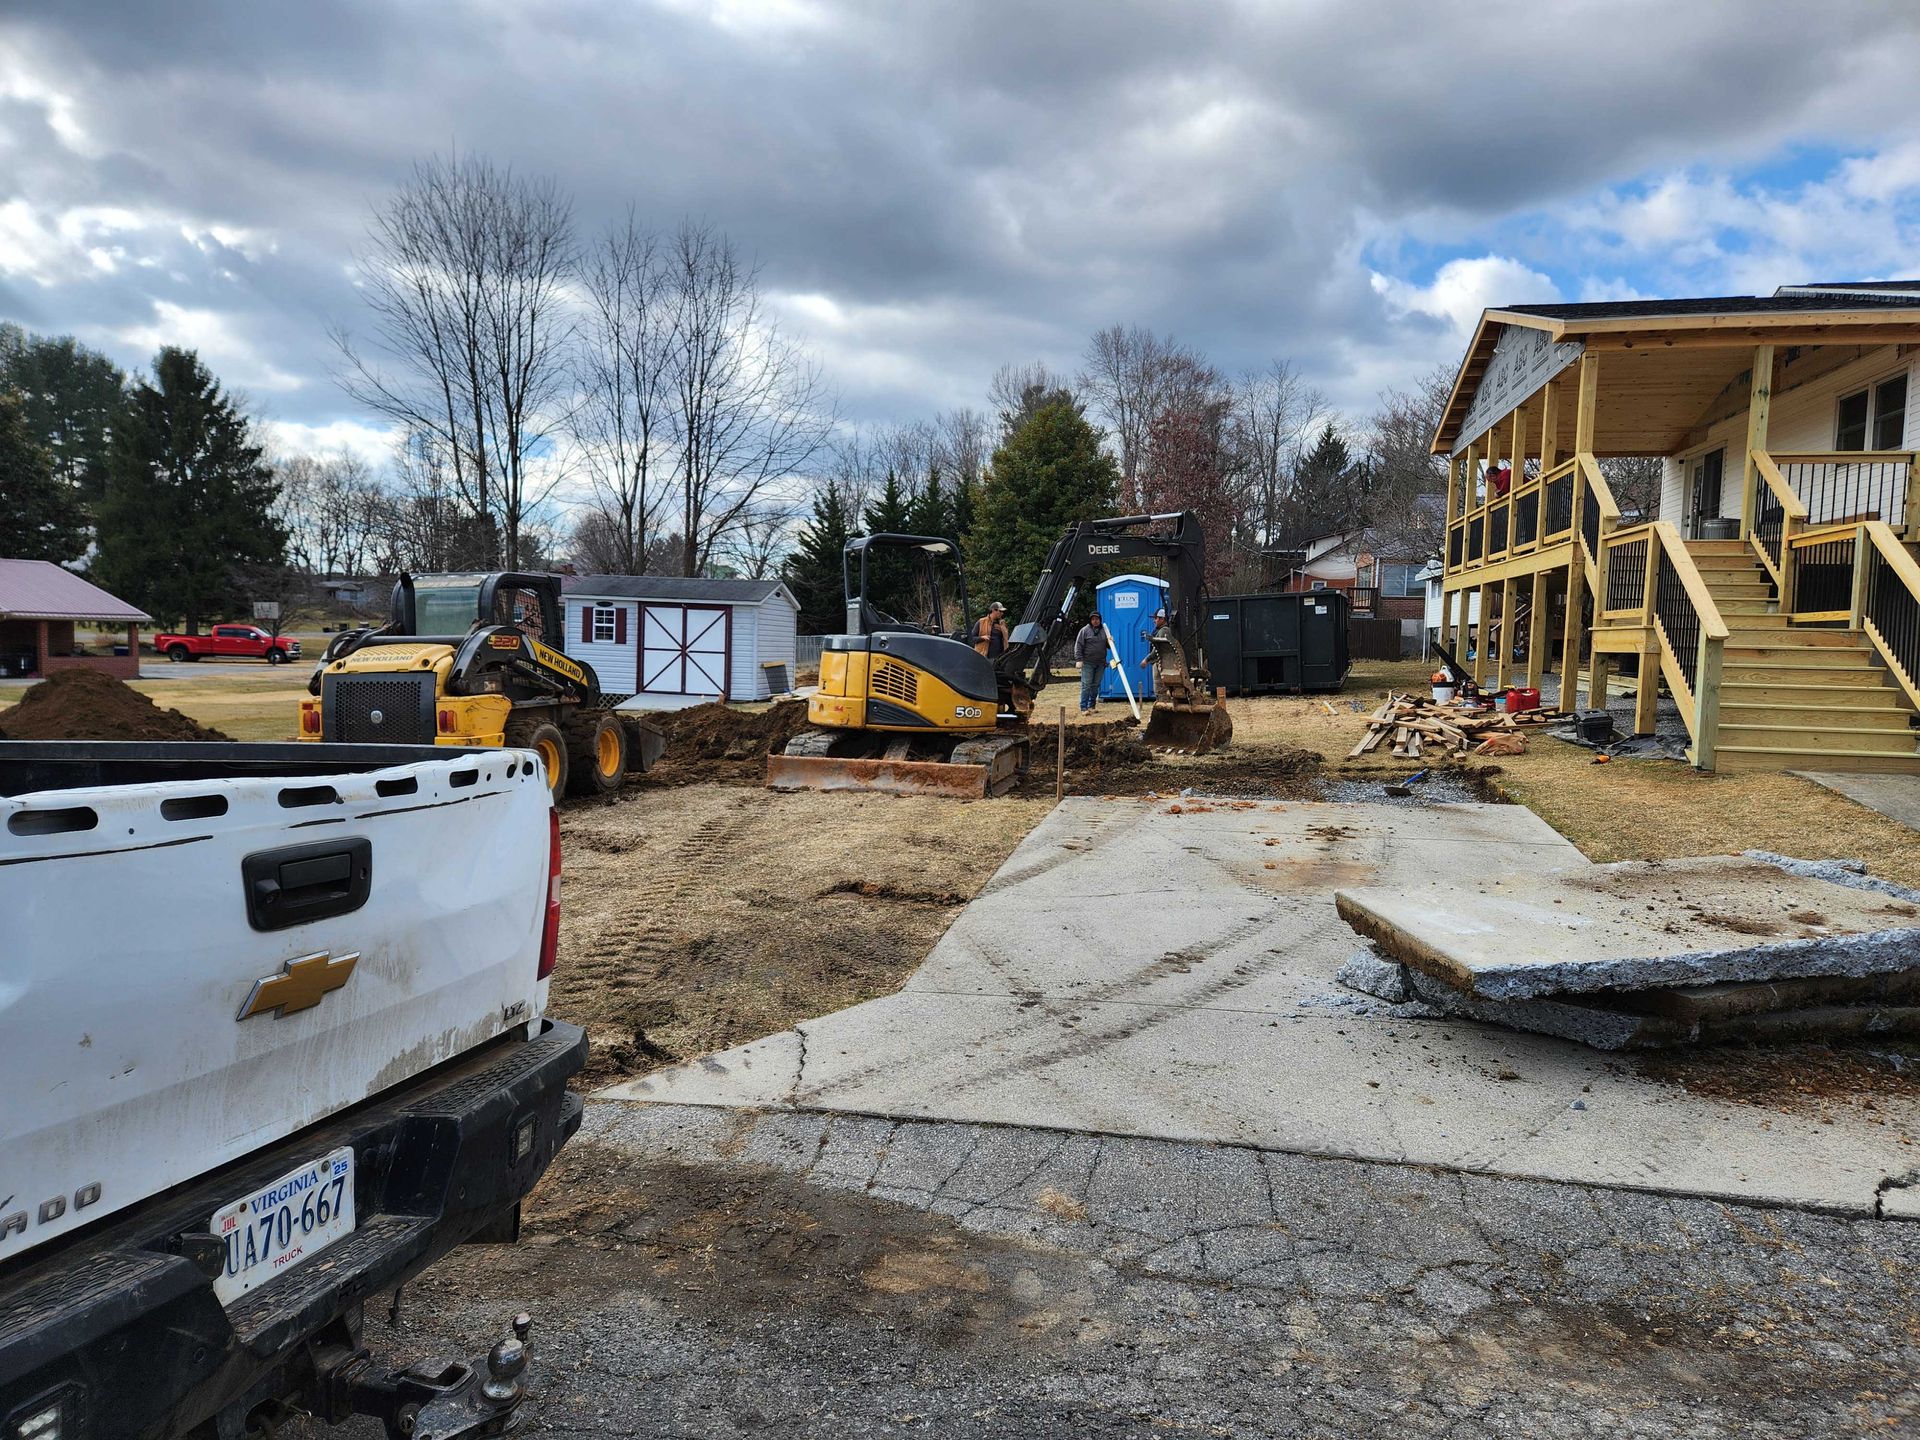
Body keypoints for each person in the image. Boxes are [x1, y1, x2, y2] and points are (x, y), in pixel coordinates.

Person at [1073, 610, 1106, 712]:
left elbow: (1108, 645)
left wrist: (1110, 640)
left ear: (1100, 620)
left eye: (1097, 619)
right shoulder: (1084, 630)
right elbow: (1078, 645)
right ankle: (1084, 707)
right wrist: (1079, 659)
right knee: (1086, 685)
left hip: (1101, 663)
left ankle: (1091, 706)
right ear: (1090, 620)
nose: (1095, 621)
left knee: (1095, 685)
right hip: (1088, 662)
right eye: (1093, 619)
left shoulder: (1104, 630)